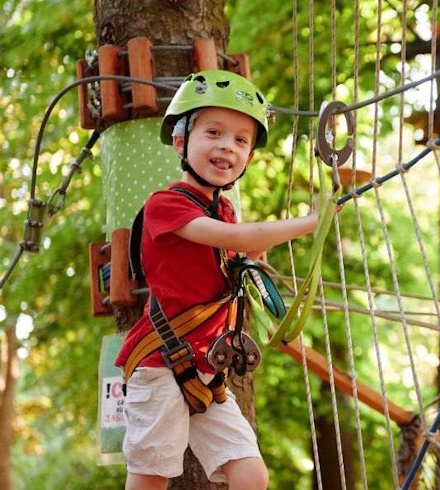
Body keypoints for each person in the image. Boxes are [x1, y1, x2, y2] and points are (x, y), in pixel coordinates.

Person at [115, 70, 318, 489]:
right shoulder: (165, 205)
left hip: (207, 366)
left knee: (250, 474)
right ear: (180, 142)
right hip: (161, 363)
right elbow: (234, 240)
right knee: (151, 476)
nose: (227, 145)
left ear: (248, 158)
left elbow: (243, 251)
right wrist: (311, 221)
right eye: (213, 132)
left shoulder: (224, 211)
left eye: (241, 140)